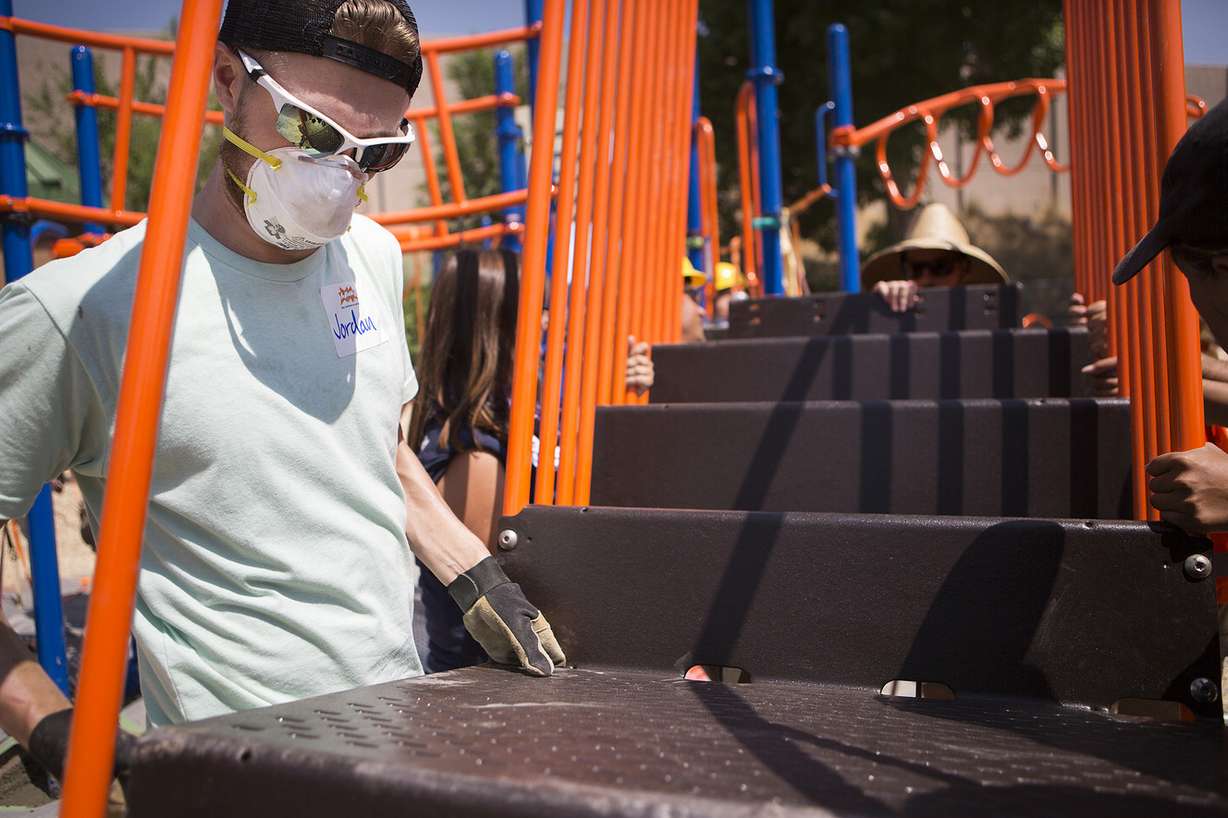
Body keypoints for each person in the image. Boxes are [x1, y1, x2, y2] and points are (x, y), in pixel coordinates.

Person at [0, 0, 562, 790]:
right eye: (315, 133)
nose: (342, 180)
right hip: (232, 779)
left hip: (399, 738)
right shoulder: (83, 310)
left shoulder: (372, 254)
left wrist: (477, 577)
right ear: (227, 80)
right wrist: (45, 716)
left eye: (377, 154)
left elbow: (375, 450)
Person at [408, 249, 650, 672]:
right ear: (496, 324)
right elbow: (509, 592)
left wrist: (622, 394)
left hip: (523, 677)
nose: (548, 322)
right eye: (538, 309)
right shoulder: (476, 459)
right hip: (482, 688)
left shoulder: (515, 415)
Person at [862, 202, 1009, 313]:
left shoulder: (986, 319)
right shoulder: (899, 314)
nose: (926, 279)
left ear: (964, 269)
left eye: (941, 267)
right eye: (916, 269)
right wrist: (881, 305)